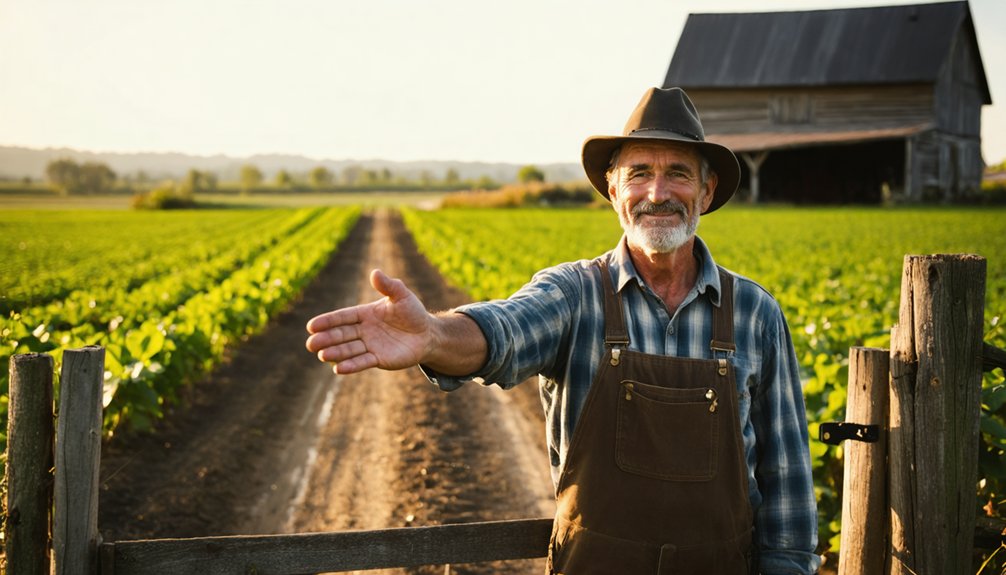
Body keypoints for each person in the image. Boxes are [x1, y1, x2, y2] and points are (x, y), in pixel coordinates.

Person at [305, 87, 821, 575]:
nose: (657, 193)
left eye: (679, 174)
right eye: (639, 173)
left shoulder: (754, 313)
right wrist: (436, 337)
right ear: (614, 190)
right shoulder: (575, 294)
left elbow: (787, 482)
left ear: (706, 192)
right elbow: (503, 332)